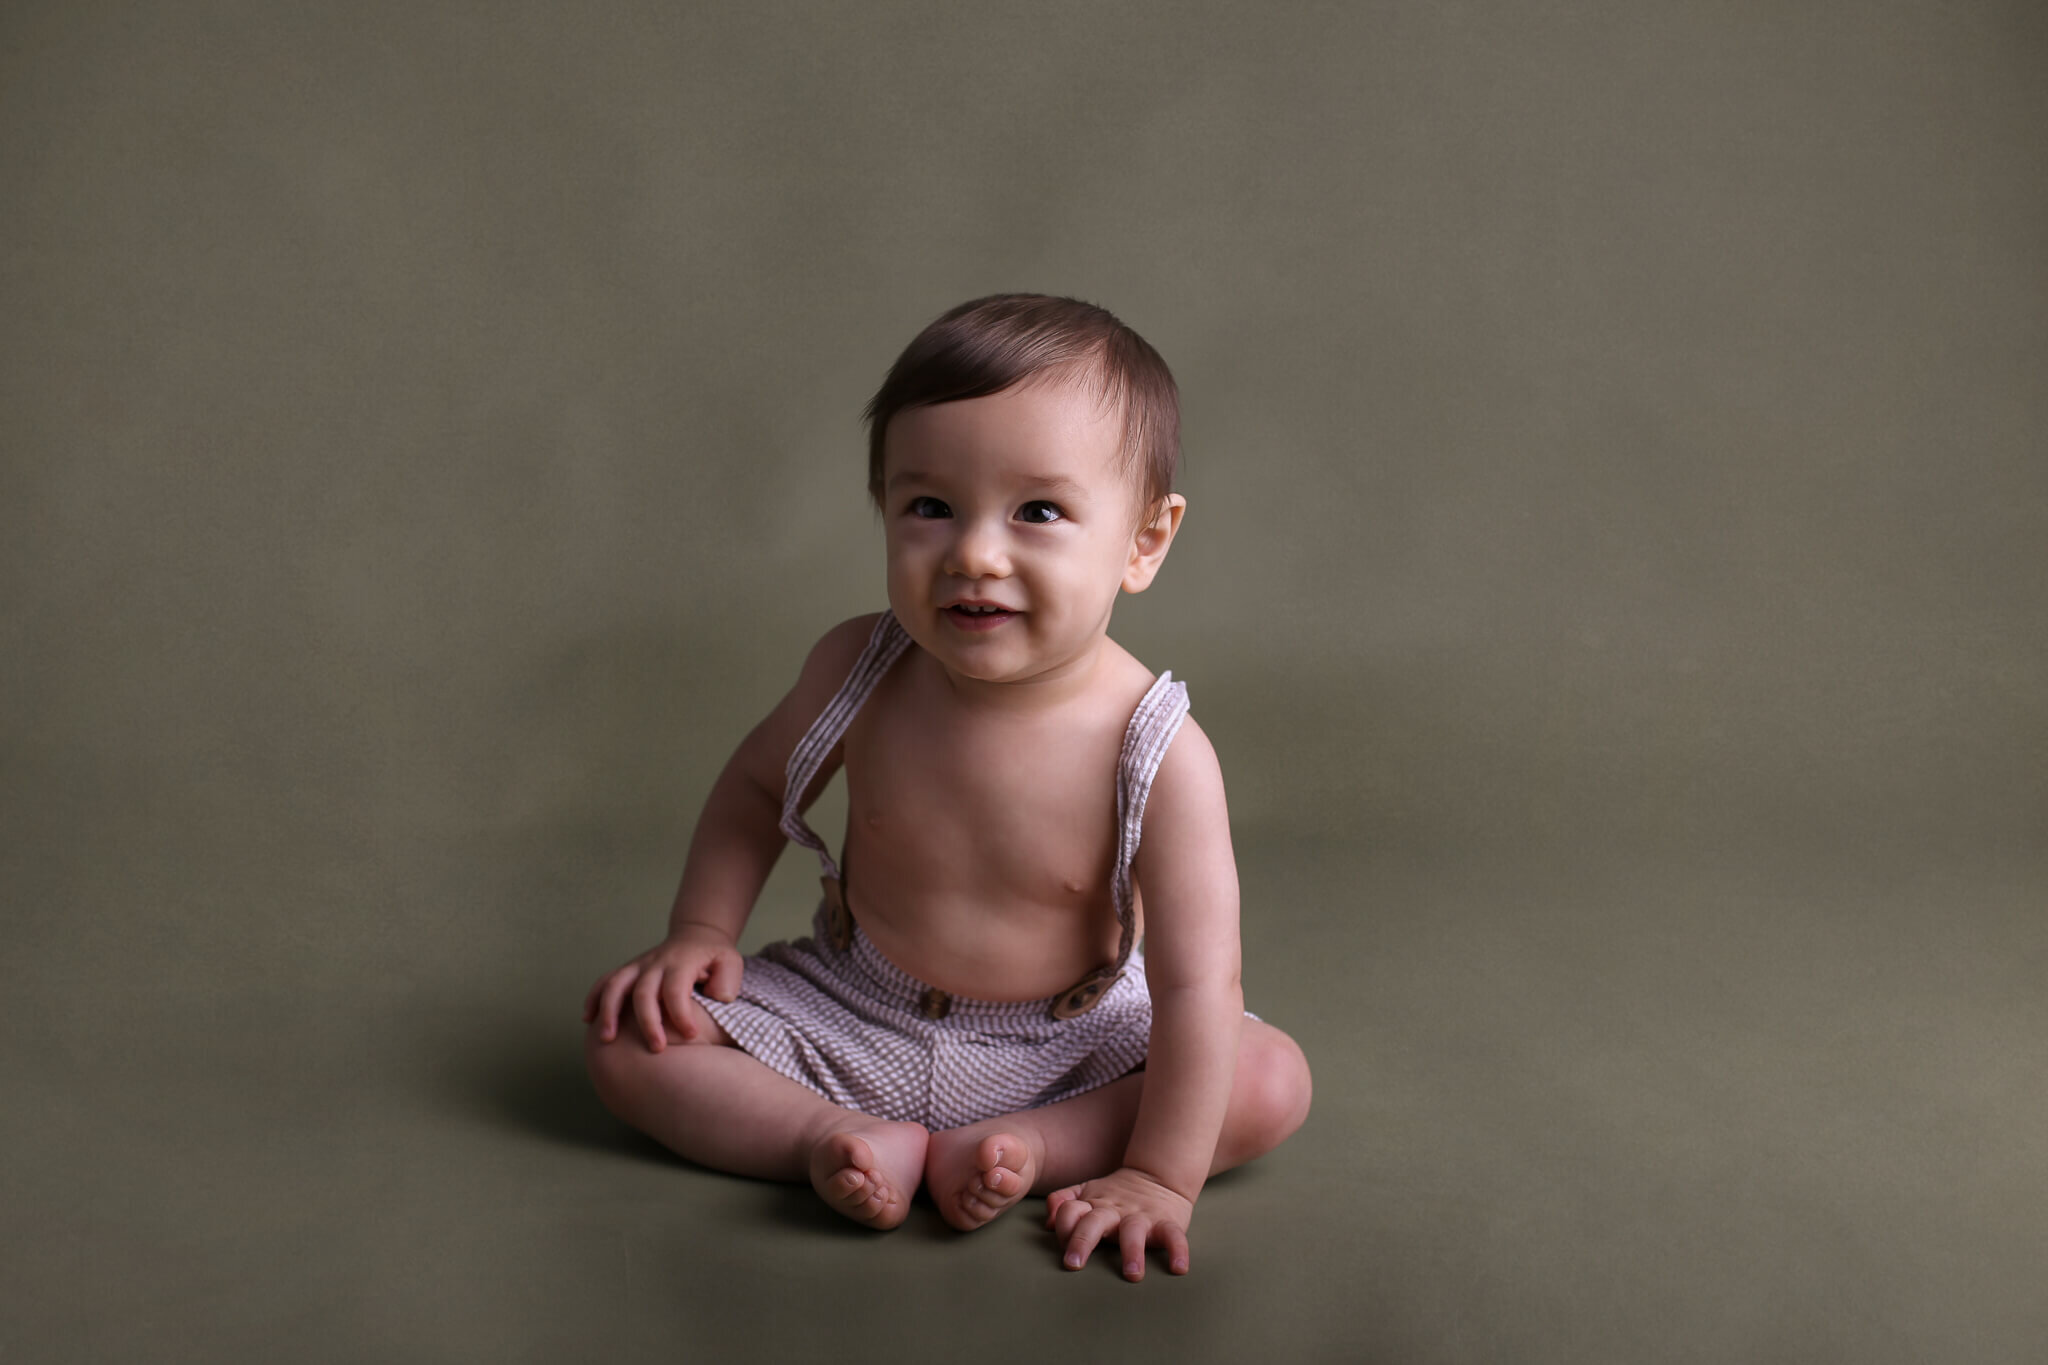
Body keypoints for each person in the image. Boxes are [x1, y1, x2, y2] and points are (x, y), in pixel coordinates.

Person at [583, 294, 1312, 1281]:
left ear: (1143, 540)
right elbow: (758, 788)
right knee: (630, 1038)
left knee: (1267, 1078)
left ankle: (1032, 1147)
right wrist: (701, 935)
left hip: (1072, 1044)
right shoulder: (858, 667)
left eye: (1038, 512)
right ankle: (826, 1136)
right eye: (929, 507)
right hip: (851, 1003)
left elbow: (1194, 987)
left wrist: (1159, 1175)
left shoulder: (1159, 750)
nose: (973, 553)